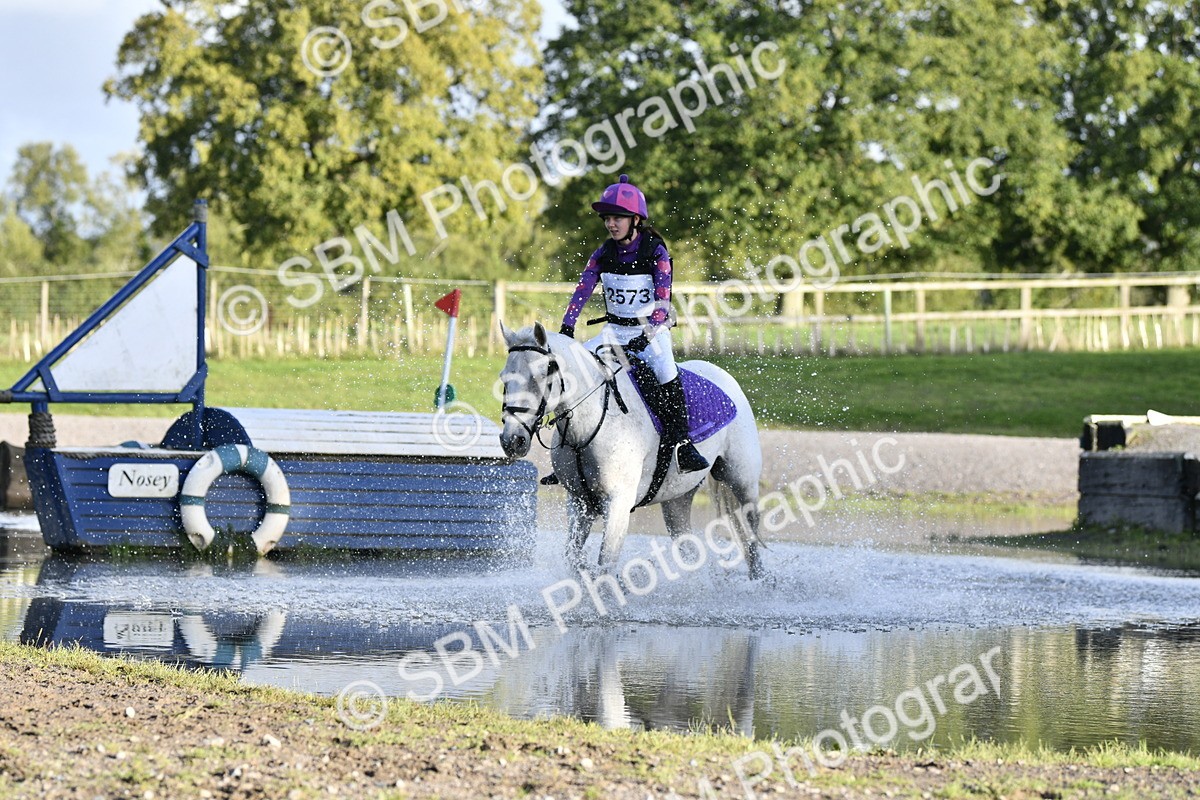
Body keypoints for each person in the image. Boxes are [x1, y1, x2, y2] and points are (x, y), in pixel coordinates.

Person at [556, 174, 709, 475]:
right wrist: (567, 325)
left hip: (652, 331)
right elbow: (583, 289)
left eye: (618, 218)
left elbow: (663, 302)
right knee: (572, 368)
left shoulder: (655, 251)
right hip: (613, 332)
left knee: (666, 371)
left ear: (636, 220)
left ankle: (682, 445)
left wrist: (647, 335)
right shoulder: (603, 252)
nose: (611, 224)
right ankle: (566, 453)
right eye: (607, 219)